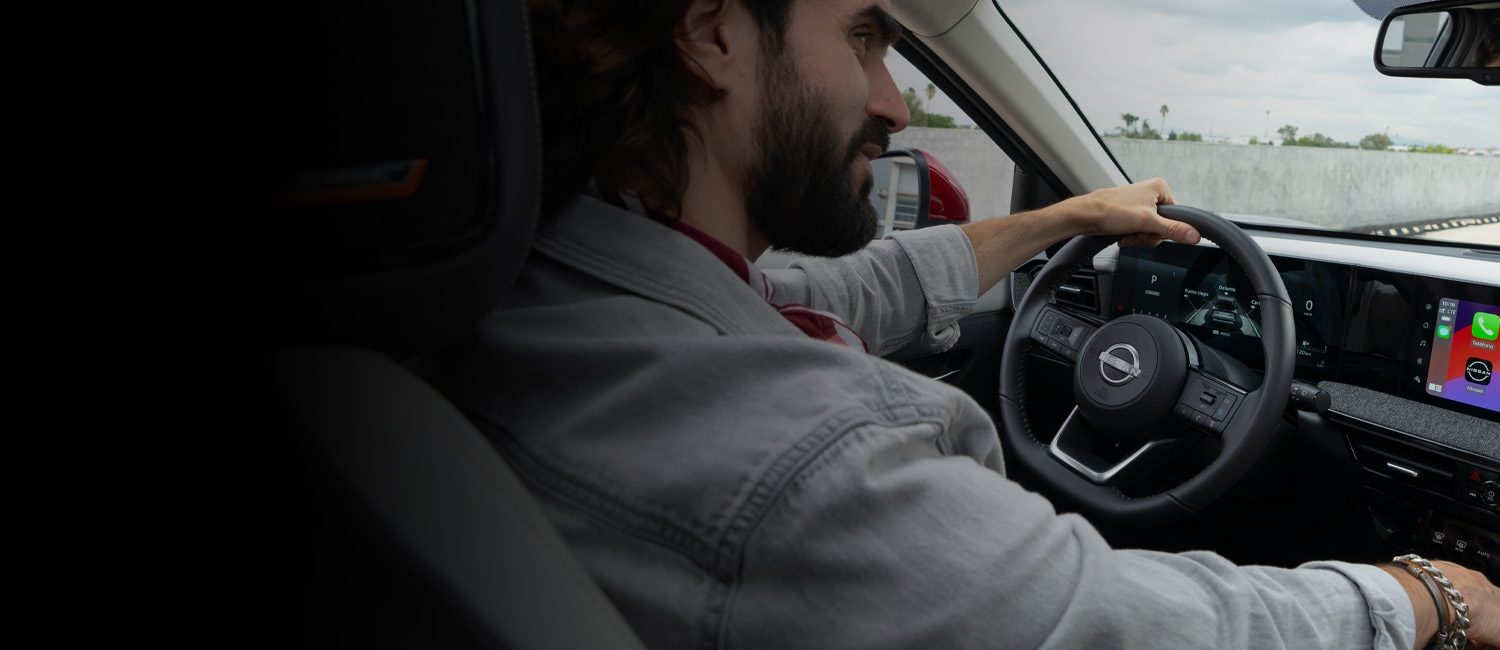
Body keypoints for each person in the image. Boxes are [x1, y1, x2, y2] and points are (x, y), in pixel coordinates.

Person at [433, 0, 1500, 647]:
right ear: (711, 34)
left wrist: (1073, 217)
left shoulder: (570, 295)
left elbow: (851, 292)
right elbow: (1114, 624)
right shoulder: (800, 461)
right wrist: (1427, 598)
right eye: (863, 39)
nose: (894, 103)